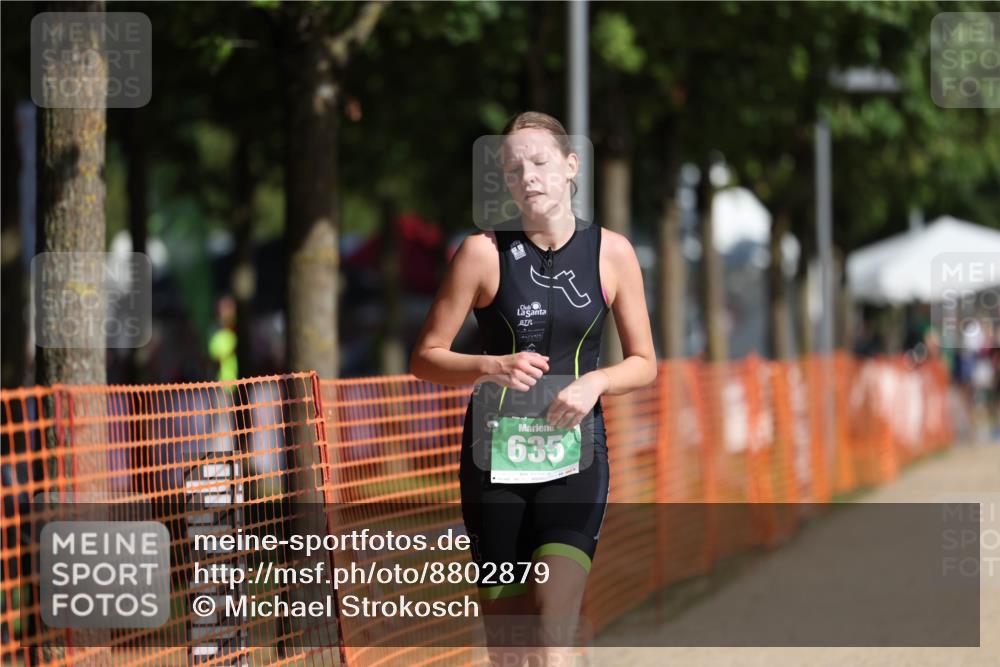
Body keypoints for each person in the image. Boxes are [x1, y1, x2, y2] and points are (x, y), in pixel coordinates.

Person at [410, 111, 657, 666]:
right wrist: (491, 366)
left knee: (552, 622)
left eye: (541, 163)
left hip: (575, 457)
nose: (529, 178)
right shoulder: (481, 252)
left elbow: (645, 363)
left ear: (571, 166)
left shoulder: (611, 252)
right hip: (493, 462)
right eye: (515, 170)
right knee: (509, 649)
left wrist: (594, 382)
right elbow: (425, 357)